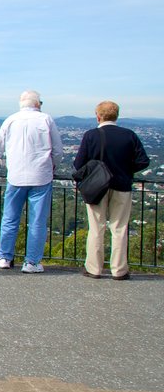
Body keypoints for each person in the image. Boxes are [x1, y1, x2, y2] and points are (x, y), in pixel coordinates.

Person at [0, 90, 63, 273]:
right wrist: (52, 167)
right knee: (37, 221)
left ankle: (4, 257)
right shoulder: (46, 119)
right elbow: (58, 149)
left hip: (16, 176)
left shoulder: (11, 120)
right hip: (42, 177)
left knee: (10, 219)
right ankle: (32, 262)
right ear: (38, 104)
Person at [72, 101, 150, 280]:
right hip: (122, 185)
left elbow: (78, 164)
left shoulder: (91, 135)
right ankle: (119, 270)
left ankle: (94, 268)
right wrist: (127, 169)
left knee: (96, 228)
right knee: (119, 228)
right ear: (117, 116)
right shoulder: (129, 135)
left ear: (98, 116)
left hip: (96, 188)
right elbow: (143, 161)